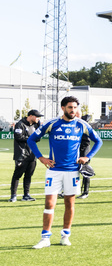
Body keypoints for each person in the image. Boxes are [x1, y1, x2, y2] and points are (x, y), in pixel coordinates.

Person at [26, 96, 102, 248]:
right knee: (49, 203)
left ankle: (65, 235)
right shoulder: (52, 123)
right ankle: (45, 238)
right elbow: (31, 140)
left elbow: (98, 141)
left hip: (72, 171)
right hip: (54, 170)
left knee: (69, 204)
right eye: (70, 107)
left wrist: (87, 157)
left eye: (75, 107)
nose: (73, 110)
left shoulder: (81, 124)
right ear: (63, 108)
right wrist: (41, 158)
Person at [10, 109, 42, 202]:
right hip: (22, 155)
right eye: (37, 116)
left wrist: (39, 127)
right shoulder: (20, 124)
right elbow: (18, 137)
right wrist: (32, 138)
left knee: (28, 175)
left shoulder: (35, 125)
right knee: (17, 175)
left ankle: (26, 195)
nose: (38, 118)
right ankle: (13, 195)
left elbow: (38, 138)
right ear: (31, 116)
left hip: (32, 154)